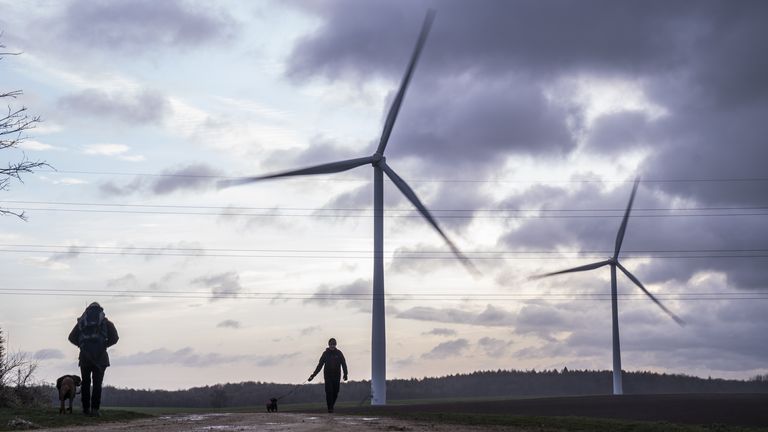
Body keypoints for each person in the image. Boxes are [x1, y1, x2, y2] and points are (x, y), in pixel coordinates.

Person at [67, 302, 119, 417]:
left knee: (85, 384)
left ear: (87, 310)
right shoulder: (106, 323)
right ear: (101, 310)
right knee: (97, 384)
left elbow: (71, 337)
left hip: (85, 358)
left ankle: (85, 409)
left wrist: (81, 345)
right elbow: (115, 338)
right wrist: (104, 346)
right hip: (101, 358)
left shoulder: (81, 322)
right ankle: (95, 410)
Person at [308, 337, 348, 413]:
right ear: (329, 345)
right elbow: (319, 365)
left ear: (335, 345)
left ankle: (331, 405)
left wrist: (345, 374)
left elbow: (344, 364)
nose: (332, 346)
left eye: (334, 344)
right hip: (328, 376)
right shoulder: (325, 354)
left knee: (336, 392)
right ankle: (330, 408)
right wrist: (313, 375)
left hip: (337, 376)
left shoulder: (339, 353)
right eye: (331, 344)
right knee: (329, 392)